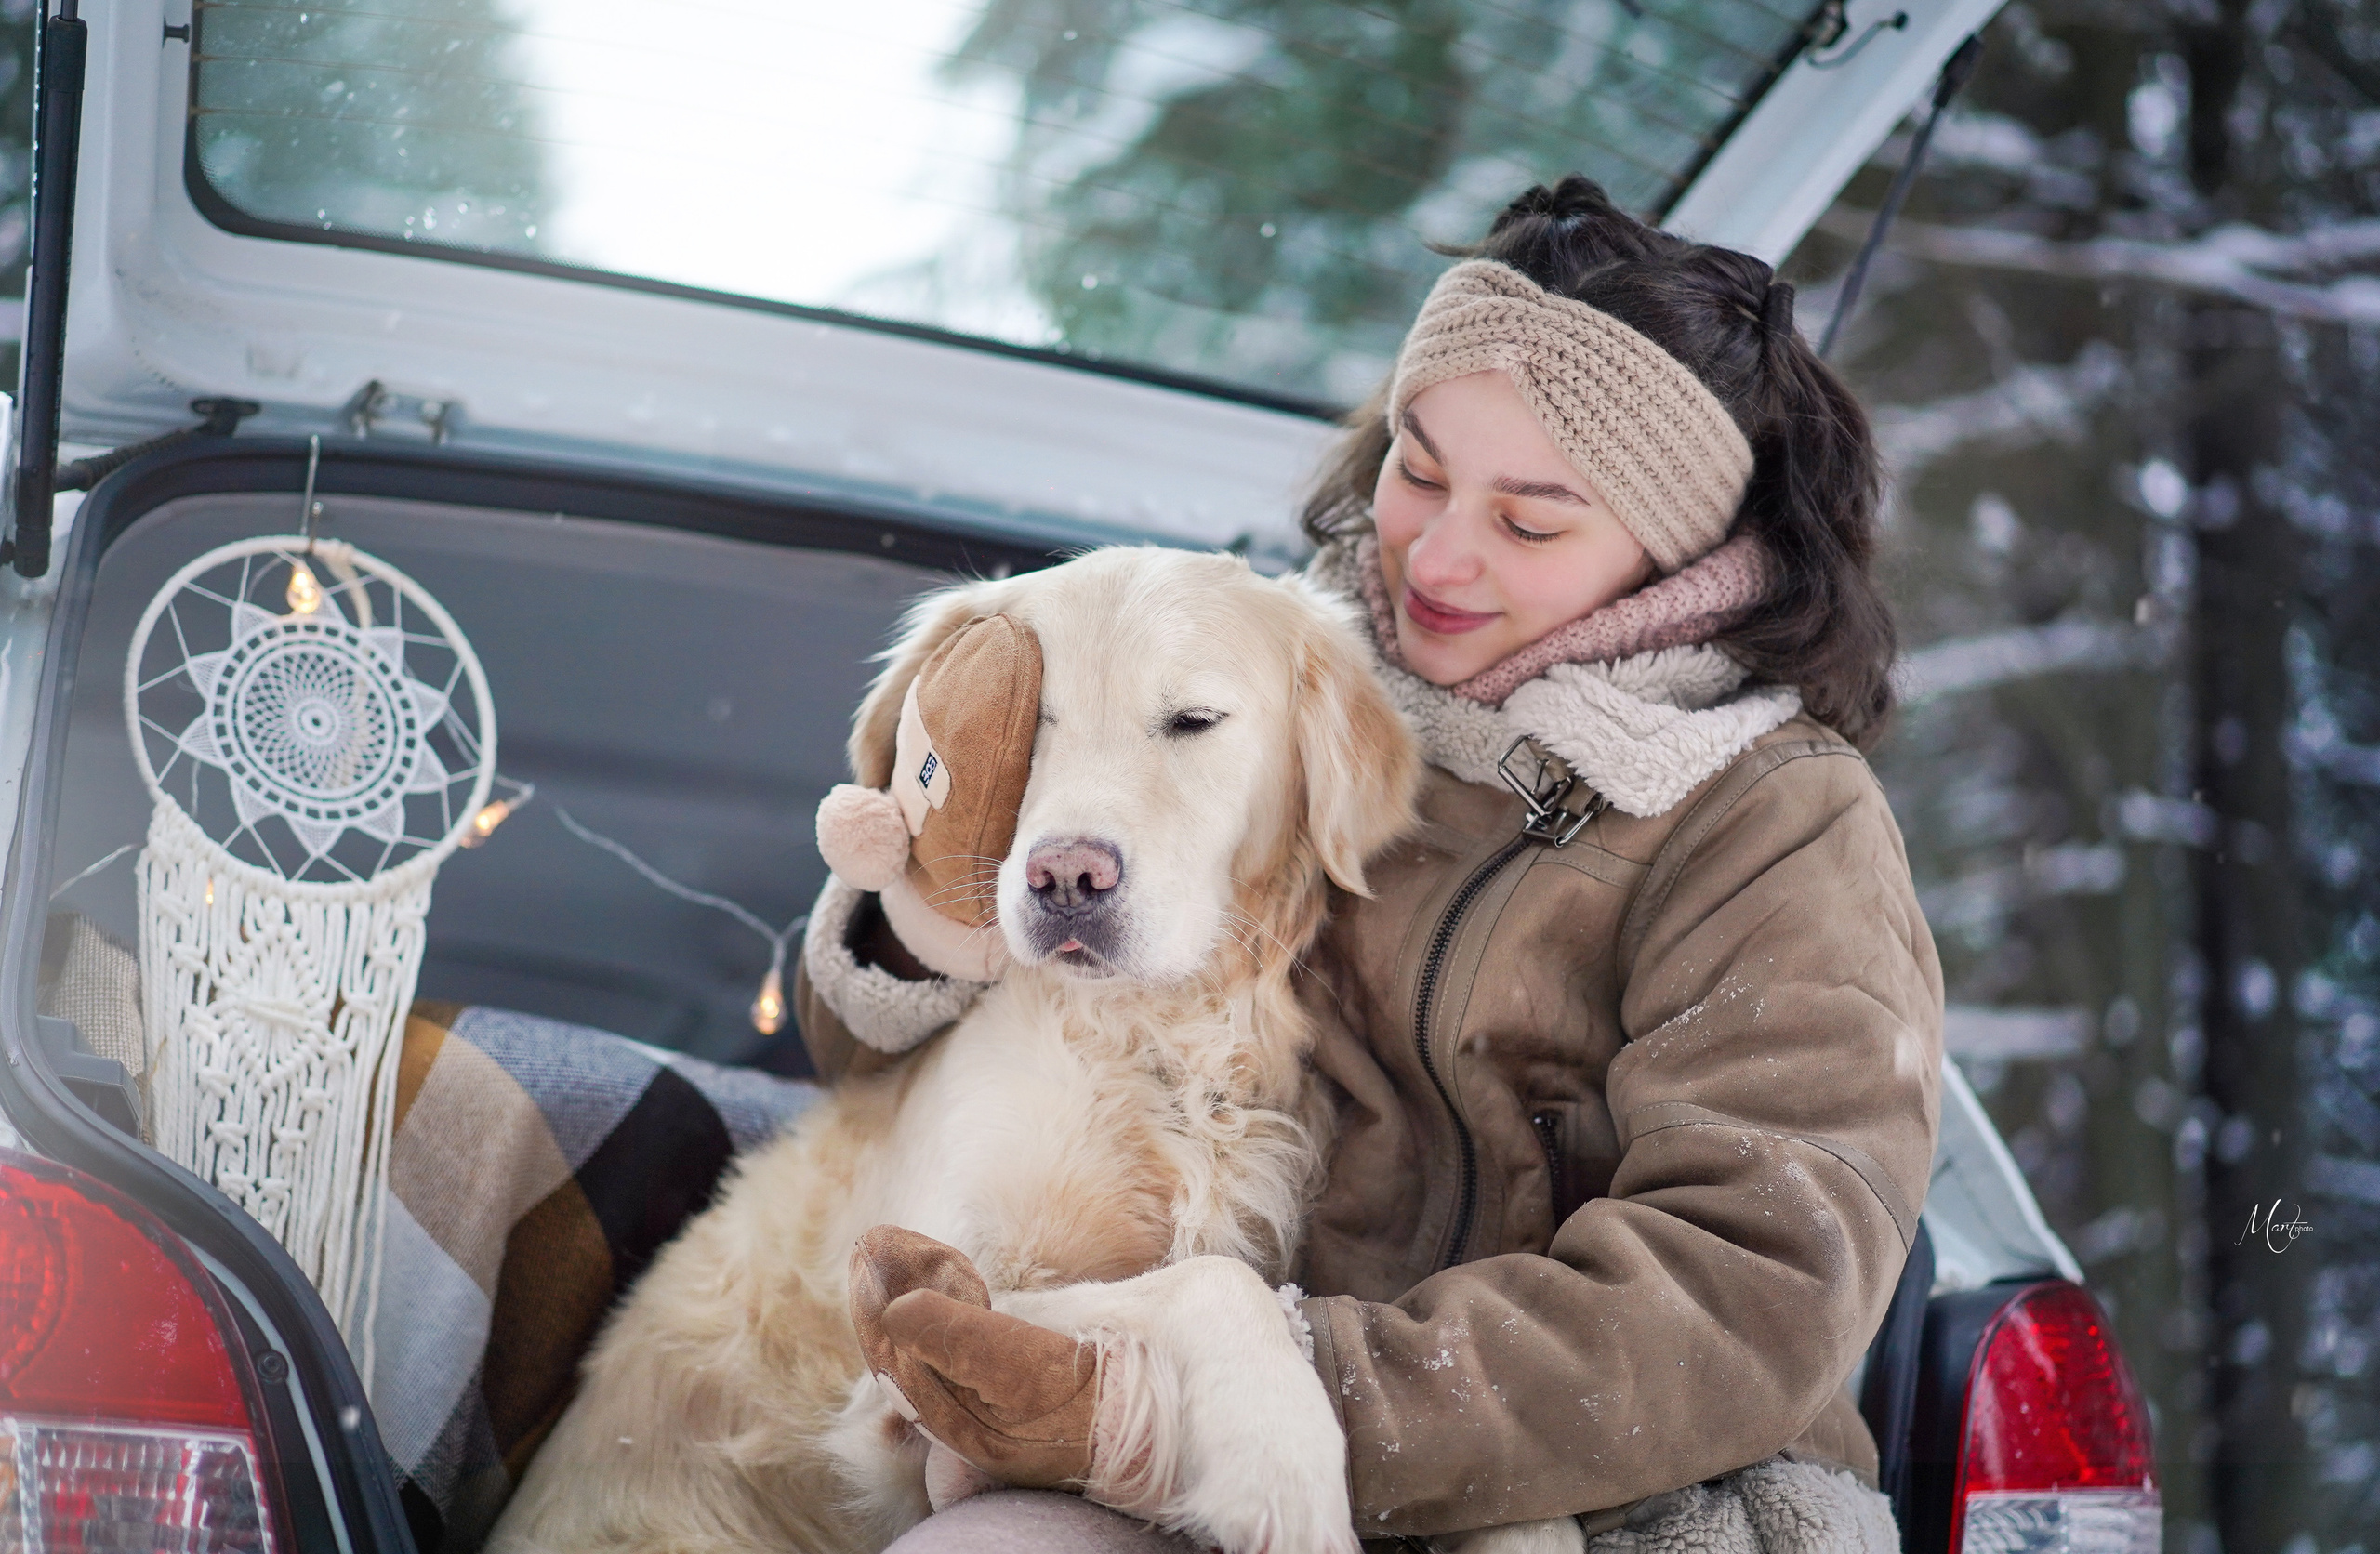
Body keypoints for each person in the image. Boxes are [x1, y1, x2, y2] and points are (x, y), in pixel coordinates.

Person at [795, 176, 1942, 1554]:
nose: (1438, 555)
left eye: (1530, 520)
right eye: (1419, 465)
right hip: (1178, 1424)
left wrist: (1260, 1392)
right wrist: (928, 910)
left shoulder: (1775, 827)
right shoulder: (1262, 671)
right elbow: (884, 1070)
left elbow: (1752, 1291)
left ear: (1680, 550)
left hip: (1611, 1496)